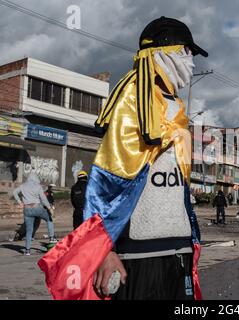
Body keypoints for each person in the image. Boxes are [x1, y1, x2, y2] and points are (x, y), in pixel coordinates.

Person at [38, 16, 207, 300]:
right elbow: (106, 184)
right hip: (140, 256)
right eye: (187, 52)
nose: (191, 61)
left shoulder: (178, 109)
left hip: (179, 252)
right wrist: (105, 250)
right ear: (165, 52)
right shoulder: (133, 101)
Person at [13, 173, 56, 255]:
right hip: (37, 208)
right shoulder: (38, 186)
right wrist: (49, 208)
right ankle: (52, 237)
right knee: (49, 219)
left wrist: (20, 202)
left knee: (29, 230)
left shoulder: (23, 186)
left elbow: (15, 192)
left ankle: (27, 251)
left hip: (27, 210)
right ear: (35, 178)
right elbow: (43, 199)